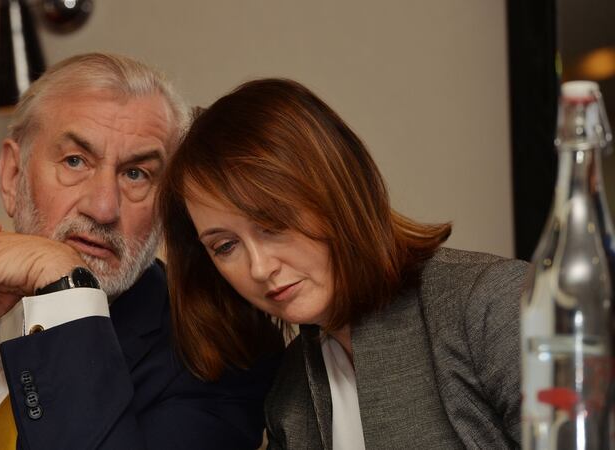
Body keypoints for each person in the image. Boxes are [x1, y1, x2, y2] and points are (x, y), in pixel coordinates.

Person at [0, 53, 282, 449]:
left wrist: (64, 283)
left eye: (137, 174)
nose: (103, 208)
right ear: (12, 176)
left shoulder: (220, 355)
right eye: (75, 161)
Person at [158, 78, 526, 449]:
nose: (259, 268)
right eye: (224, 246)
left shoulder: (493, 305)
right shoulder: (290, 393)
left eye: (272, 225)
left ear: (335, 193)